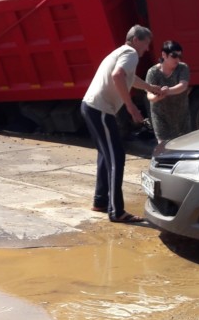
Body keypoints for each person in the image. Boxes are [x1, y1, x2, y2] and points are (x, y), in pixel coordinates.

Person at [81, 25, 162, 224]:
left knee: (105, 154)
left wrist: (150, 87)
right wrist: (131, 106)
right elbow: (118, 76)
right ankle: (116, 211)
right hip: (100, 110)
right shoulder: (130, 52)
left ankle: (100, 201)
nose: (147, 49)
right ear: (136, 40)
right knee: (116, 157)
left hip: (90, 107)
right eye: (146, 44)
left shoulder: (120, 52)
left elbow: (129, 78)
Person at [145, 40, 191, 145]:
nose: (177, 60)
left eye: (180, 56)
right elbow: (149, 94)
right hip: (161, 118)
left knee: (186, 145)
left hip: (181, 117)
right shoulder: (152, 72)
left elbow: (183, 86)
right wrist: (156, 98)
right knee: (164, 148)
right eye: (174, 56)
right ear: (163, 55)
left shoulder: (183, 68)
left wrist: (167, 91)